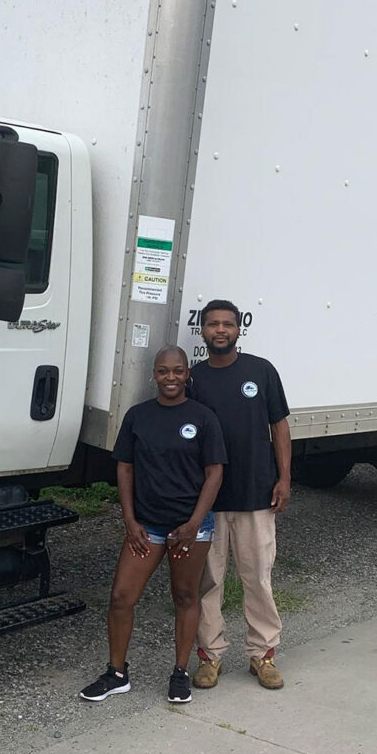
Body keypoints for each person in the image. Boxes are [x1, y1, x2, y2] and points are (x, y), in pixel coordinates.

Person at [80, 345, 227, 705]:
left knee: (185, 596)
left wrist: (194, 523)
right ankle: (116, 673)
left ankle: (179, 673)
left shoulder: (204, 417)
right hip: (147, 526)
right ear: (154, 375)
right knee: (120, 597)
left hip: (189, 529)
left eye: (178, 371)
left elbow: (215, 473)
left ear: (187, 374)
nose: (171, 378)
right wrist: (129, 520)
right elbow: (124, 468)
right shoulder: (138, 416)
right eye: (164, 371)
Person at [188, 300, 291, 690]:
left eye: (227, 324)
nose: (220, 330)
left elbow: (280, 427)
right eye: (212, 324)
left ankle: (262, 655)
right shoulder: (193, 379)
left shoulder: (261, 371)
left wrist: (284, 478)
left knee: (258, 578)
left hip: (256, 494)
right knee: (208, 582)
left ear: (238, 330)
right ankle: (210, 656)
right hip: (208, 502)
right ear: (202, 331)